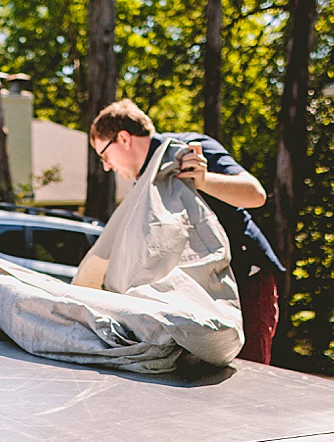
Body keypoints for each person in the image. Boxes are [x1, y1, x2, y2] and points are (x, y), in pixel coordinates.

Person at [72, 99, 285, 363]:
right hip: (202, 290)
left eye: (104, 155)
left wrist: (204, 179)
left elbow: (256, 195)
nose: (106, 166)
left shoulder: (189, 150)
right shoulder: (145, 183)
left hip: (246, 279)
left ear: (124, 139)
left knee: (247, 373)